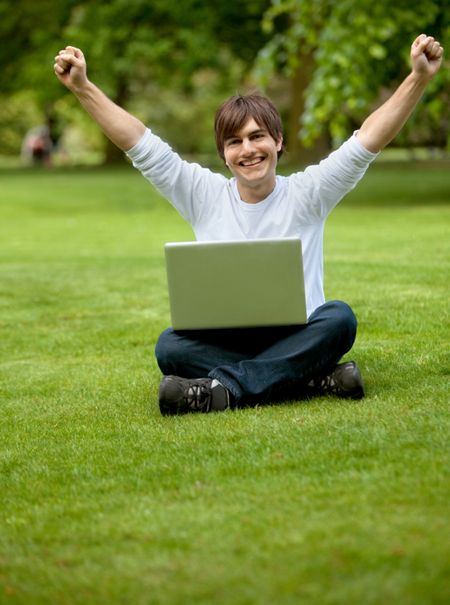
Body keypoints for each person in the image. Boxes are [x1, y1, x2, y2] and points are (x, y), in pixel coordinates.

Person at [54, 34, 444, 415]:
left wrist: (418, 78)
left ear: (277, 141)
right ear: (224, 155)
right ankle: (306, 378)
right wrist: (83, 87)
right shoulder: (202, 195)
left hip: (299, 333)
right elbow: (140, 144)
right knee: (169, 348)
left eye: (257, 136)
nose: (248, 150)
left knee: (339, 319)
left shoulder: (309, 193)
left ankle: (223, 389)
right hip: (229, 342)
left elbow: (368, 140)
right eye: (234, 142)